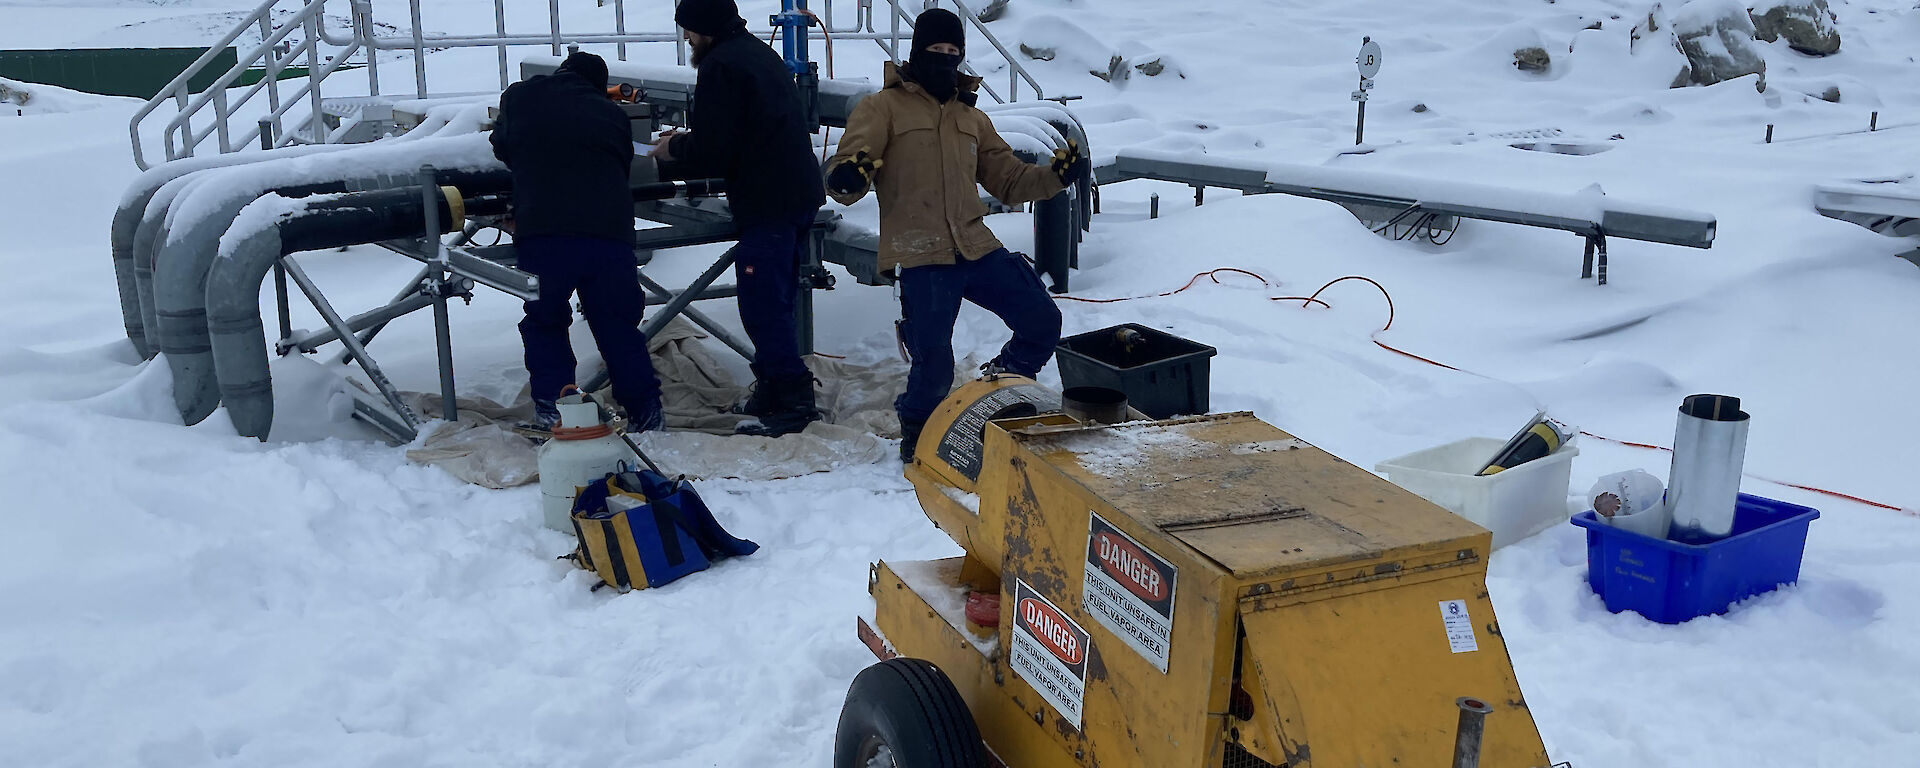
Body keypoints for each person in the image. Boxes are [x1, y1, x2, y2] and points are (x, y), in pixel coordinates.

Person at [824, 8, 1090, 462]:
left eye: (953, 52)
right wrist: (847, 177)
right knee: (934, 363)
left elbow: (1008, 179)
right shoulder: (881, 108)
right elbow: (847, 167)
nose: (945, 59)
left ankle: (998, 391)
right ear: (916, 52)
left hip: (976, 246)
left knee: (1042, 321)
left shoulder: (972, 118)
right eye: (936, 50)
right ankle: (920, 435)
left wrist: (1054, 178)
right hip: (920, 252)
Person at [651, 0, 829, 438]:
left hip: (769, 200)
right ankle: (773, 387)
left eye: (689, 31)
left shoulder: (720, 67)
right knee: (775, 297)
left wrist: (672, 151)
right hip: (794, 193)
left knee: (762, 303)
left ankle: (793, 400)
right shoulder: (753, 52)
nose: (688, 39)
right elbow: (741, 129)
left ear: (703, 29)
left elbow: (715, 148)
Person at [490, 50, 665, 432]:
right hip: (609, 234)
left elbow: (502, 146)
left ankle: (557, 413)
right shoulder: (614, 116)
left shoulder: (521, 96)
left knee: (546, 322)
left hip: (546, 233)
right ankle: (647, 414)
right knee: (618, 326)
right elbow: (620, 165)